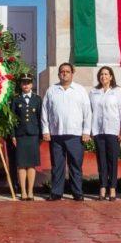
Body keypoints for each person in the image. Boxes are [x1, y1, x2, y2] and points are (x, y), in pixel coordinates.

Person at [41, 62, 91, 201]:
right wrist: (45, 130)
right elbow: (45, 112)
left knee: (75, 165)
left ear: (72, 73)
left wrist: (86, 131)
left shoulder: (80, 90)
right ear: (58, 74)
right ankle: (56, 192)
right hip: (56, 134)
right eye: (62, 71)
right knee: (57, 165)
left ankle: (77, 192)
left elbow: (87, 112)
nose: (64, 73)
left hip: (75, 135)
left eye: (67, 71)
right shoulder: (51, 90)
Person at [89, 66, 121, 201]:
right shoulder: (93, 92)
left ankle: (113, 188)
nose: (104, 76)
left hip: (113, 130)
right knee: (101, 161)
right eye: (101, 74)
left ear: (111, 76)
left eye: (106, 74)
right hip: (98, 130)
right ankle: (102, 187)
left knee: (112, 160)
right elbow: (91, 111)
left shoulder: (117, 91)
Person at [10, 73, 42, 201]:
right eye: (23, 83)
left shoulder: (37, 99)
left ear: (32, 85)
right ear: (20, 85)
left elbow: (41, 118)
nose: (26, 85)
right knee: (21, 165)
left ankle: (30, 191)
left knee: (32, 165)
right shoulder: (16, 99)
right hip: (21, 136)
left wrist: (40, 135)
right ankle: (23, 191)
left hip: (33, 135)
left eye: (28, 82)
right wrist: (12, 135)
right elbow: (12, 120)